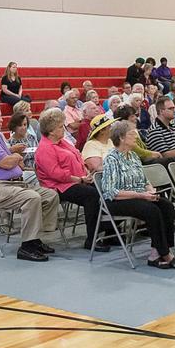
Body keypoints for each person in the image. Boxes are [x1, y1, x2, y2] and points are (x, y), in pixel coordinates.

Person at [0, 103, 60, 262]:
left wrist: (12, 153)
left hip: (12, 184)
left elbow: (5, 157)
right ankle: (26, 246)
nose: (1, 120)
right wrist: (16, 157)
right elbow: (6, 163)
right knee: (31, 198)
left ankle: (35, 238)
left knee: (50, 195)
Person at [98, 121, 175, 268]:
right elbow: (111, 191)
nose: (136, 137)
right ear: (121, 138)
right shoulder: (111, 159)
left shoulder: (133, 156)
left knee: (167, 206)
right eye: (132, 134)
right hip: (118, 200)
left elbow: (144, 180)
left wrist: (150, 190)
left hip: (139, 196)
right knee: (151, 210)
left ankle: (155, 252)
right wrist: (142, 196)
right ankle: (166, 254)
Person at [33, 108, 107, 251]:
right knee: (91, 195)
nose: (64, 129)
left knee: (103, 188)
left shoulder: (63, 142)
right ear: (51, 130)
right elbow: (56, 174)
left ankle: (109, 230)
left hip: (77, 180)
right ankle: (92, 238)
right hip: (57, 186)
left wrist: (86, 174)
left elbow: (78, 157)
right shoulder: (45, 148)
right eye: (61, 127)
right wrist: (80, 180)